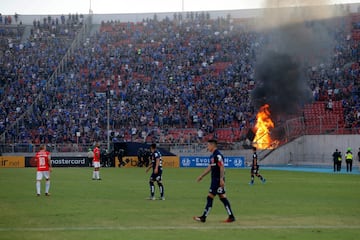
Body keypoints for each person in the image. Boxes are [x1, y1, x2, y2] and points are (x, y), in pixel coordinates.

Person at [193, 139, 235, 223]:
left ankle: (203, 217)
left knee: (210, 197)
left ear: (213, 145)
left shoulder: (218, 155)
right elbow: (210, 167)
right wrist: (202, 176)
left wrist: (221, 179)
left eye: (208, 145)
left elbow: (222, 167)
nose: (207, 147)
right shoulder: (212, 156)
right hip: (216, 180)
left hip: (217, 180)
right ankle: (231, 216)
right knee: (222, 197)